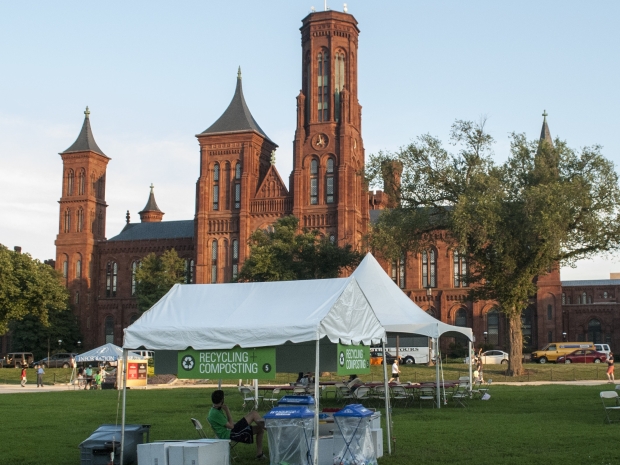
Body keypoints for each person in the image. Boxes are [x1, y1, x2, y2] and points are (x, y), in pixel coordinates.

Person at [208, 389, 266, 460]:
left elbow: (226, 423)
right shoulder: (215, 413)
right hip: (230, 434)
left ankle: (259, 454)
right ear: (221, 400)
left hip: (230, 431)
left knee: (260, 429)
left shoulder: (215, 409)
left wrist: (240, 423)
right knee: (253, 414)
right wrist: (227, 410)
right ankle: (270, 429)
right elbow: (231, 426)